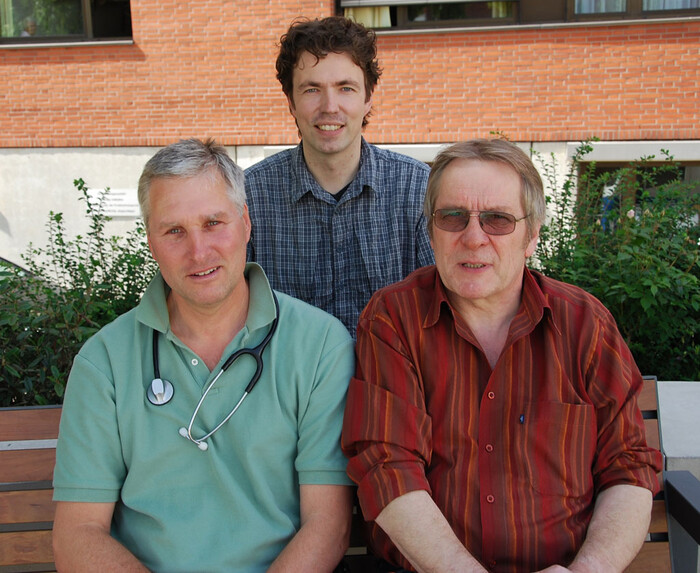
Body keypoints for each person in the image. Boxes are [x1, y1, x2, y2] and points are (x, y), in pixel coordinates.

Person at [341, 139, 663, 572]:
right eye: (452, 217)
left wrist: (588, 571)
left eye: (498, 219)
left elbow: (628, 466)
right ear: (431, 231)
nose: (474, 238)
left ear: (531, 235)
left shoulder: (584, 323)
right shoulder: (393, 320)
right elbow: (388, 467)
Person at [52, 138, 355, 572]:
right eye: (174, 231)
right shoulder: (105, 362)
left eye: (213, 223)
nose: (198, 252)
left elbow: (328, 525)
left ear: (245, 223)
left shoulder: (319, 346)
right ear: (150, 241)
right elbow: (77, 534)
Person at [245, 16, 433, 336]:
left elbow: (446, 310)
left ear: (368, 97)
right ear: (291, 102)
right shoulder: (249, 196)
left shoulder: (419, 190)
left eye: (345, 88)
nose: (330, 106)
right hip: (291, 371)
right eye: (312, 89)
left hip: (392, 370)